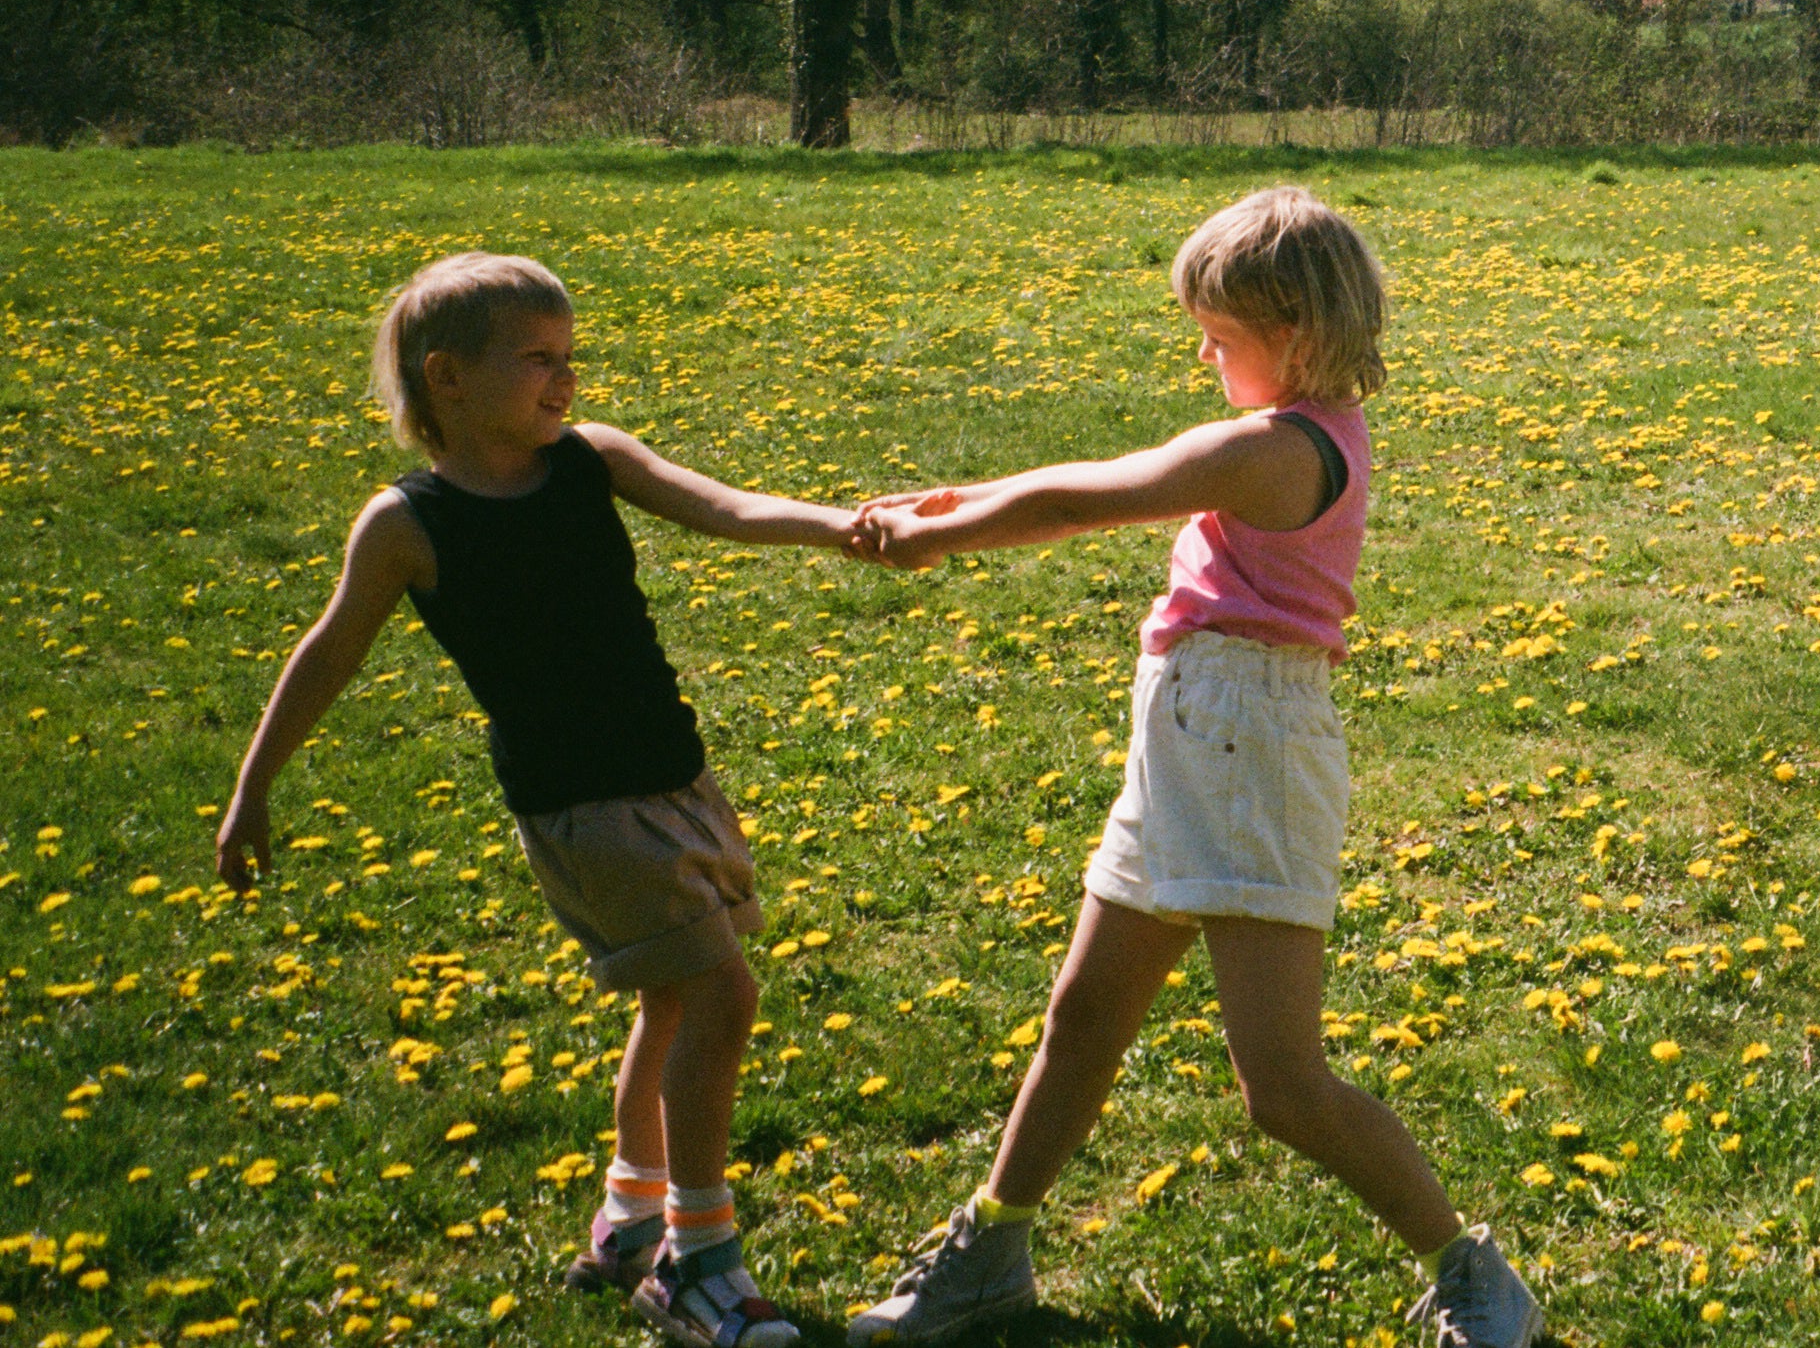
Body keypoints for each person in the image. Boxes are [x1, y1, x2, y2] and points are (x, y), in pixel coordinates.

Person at [842, 188, 1540, 1348]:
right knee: (1084, 1013)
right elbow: (1096, 473)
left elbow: (1090, 493)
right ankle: (993, 1248)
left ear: (1297, 335)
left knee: (1283, 1086)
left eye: (1220, 334)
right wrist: (949, 501)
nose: (1204, 352)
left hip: (1251, 745)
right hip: (1190, 733)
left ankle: (1472, 1271)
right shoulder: (1281, 434)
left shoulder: (1279, 449)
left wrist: (938, 532)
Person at [216, 254, 863, 1348]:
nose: (565, 379)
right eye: (538, 359)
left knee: (672, 1001)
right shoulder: (407, 523)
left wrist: (837, 521)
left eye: (571, 357)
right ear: (448, 377)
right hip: (583, 806)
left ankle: (626, 1218)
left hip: (669, 770)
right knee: (720, 997)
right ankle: (698, 1260)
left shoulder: (590, 461)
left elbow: (724, 506)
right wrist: (252, 789)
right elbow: (327, 654)